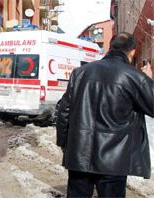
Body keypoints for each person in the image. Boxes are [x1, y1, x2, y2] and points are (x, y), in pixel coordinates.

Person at [56, 32, 154, 198]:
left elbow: (64, 110)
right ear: (132, 52)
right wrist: (148, 80)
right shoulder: (135, 77)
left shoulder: (80, 73)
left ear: (110, 47)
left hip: (80, 153)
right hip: (114, 160)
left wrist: (64, 142)